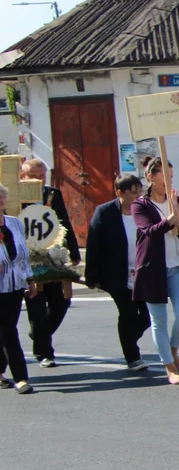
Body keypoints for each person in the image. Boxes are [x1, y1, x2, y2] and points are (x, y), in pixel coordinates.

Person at [132, 157, 179, 385]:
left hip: (177, 265)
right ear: (151, 177)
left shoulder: (176, 201)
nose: (169, 180)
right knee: (159, 321)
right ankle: (169, 368)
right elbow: (149, 230)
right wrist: (169, 220)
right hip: (152, 269)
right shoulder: (140, 205)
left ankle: (174, 349)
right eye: (164, 176)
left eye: (171, 176)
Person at [85, 174, 151, 372]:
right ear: (120, 193)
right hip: (116, 273)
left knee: (146, 318)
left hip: (141, 272)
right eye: (133, 192)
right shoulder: (105, 212)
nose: (138, 195)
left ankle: (128, 339)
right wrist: (92, 276)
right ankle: (132, 356)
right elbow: (93, 244)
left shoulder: (144, 210)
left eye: (140, 190)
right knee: (127, 312)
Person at [21, 158, 80, 368]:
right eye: (34, 176)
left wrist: (74, 250)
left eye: (42, 175)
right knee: (36, 306)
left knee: (61, 302)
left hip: (52, 258)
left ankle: (39, 333)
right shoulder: (16, 197)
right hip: (27, 261)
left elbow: (63, 221)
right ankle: (44, 352)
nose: (39, 180)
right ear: (23, 177)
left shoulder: (52, 194)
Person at [0, 183, 40, 394]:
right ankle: (21, 378)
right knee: (8, 331)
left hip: (14, 286)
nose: (0, 201)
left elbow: (23, 255)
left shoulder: (14, 223)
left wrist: (30, 280)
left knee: (6, 329)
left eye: (1, 197)